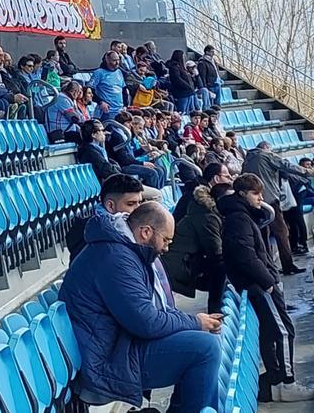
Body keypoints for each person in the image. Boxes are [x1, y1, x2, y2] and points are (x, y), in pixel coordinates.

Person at [59, 200, 222, 412]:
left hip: (120, 343)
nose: (167, 247)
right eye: (166, 239)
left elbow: (151, 312)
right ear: (145, 232)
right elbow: (146, 323)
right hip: (109, 358)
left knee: (203, 342)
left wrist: (193, 322)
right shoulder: (116, 258)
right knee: (205, 349)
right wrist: (194, 321)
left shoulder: (122, 250)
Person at [220, 174, 314, 403]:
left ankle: (276, 382)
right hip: (258, 286)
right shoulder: (238, 218)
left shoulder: (241, 215)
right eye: (256, 194)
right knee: (283, 331)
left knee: (271, 332)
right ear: (243, 194)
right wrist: (269, 283)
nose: (260, 198)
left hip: (258, 284)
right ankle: (286, 383)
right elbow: (245, 255)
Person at [244, 141, 314, 266]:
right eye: (271, 150)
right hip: (269, 200)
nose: (273, 152)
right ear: (266, 148)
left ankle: (268, 265)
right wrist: (310, 172)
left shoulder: (247, 160)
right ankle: (288, 265)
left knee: (263, 234)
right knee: (281, 231)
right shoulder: (265, 155)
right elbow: (286, 165)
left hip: (253, 202)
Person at [164, 181, 230, 314]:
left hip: (189, 259)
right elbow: (215, 251)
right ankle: (215, 310)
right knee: (221, 265)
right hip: (180, 265)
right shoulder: (207, 217)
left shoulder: (206, 211)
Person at [66, 171, 144, 259]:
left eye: (139, 202)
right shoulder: (88, 232)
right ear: (110, 206)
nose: (138, 209)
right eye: (130, 204)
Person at [106, 110, 165, 189]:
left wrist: (143, 150)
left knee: (160, 170)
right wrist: (142, 163)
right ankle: (149, 196)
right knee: (152, 173)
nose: (131, 125)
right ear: (121, 124)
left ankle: (158, 193)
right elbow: (124, 159)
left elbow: (131, 154)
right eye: (128, 123)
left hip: (129, 163)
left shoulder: (123, 134)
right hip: (123, 166)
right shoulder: (117, 137)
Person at [88, 50, 126, 120]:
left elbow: (124, 89)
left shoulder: (119, 72)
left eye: (118, 60)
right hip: (107, 111)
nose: (117, 63)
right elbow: (89, 89)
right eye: (114, 60)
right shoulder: (99, 73)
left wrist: (125, 105)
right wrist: (100, 102)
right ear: (107, 61)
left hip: (119, 110)